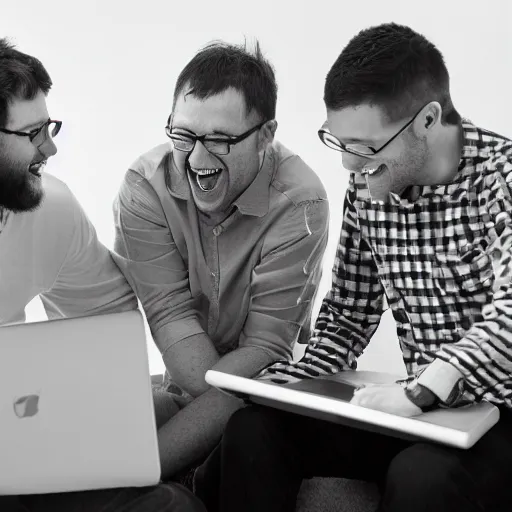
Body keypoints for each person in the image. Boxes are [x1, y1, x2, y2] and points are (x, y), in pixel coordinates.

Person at [197, 23, 512, 512]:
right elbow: (348, 312)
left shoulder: (502, 180)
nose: (348, 165)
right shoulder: (369, 184)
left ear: (427, 120)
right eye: (338, 142)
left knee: (420, 477)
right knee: (254, 428)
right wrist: (296, 380)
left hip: (498, 418)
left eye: (363, 147)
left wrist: (430, 384)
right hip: (418, 412)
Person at [0, 39, 205, 511]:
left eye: (48, 126)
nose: (50, 147)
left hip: (17, 444)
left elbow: (105, 322)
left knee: (174, 507)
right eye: (32, 133)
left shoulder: (49, 208)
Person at [112, 40, 329, 481]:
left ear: (266, 135)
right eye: (184, 135)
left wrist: (149, 467)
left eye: (219, 140)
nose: (196, 157)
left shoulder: (301, 201)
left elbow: (264, 351)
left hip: (271, 389)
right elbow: (169, 313)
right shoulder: (143, 187)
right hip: (192, 379)